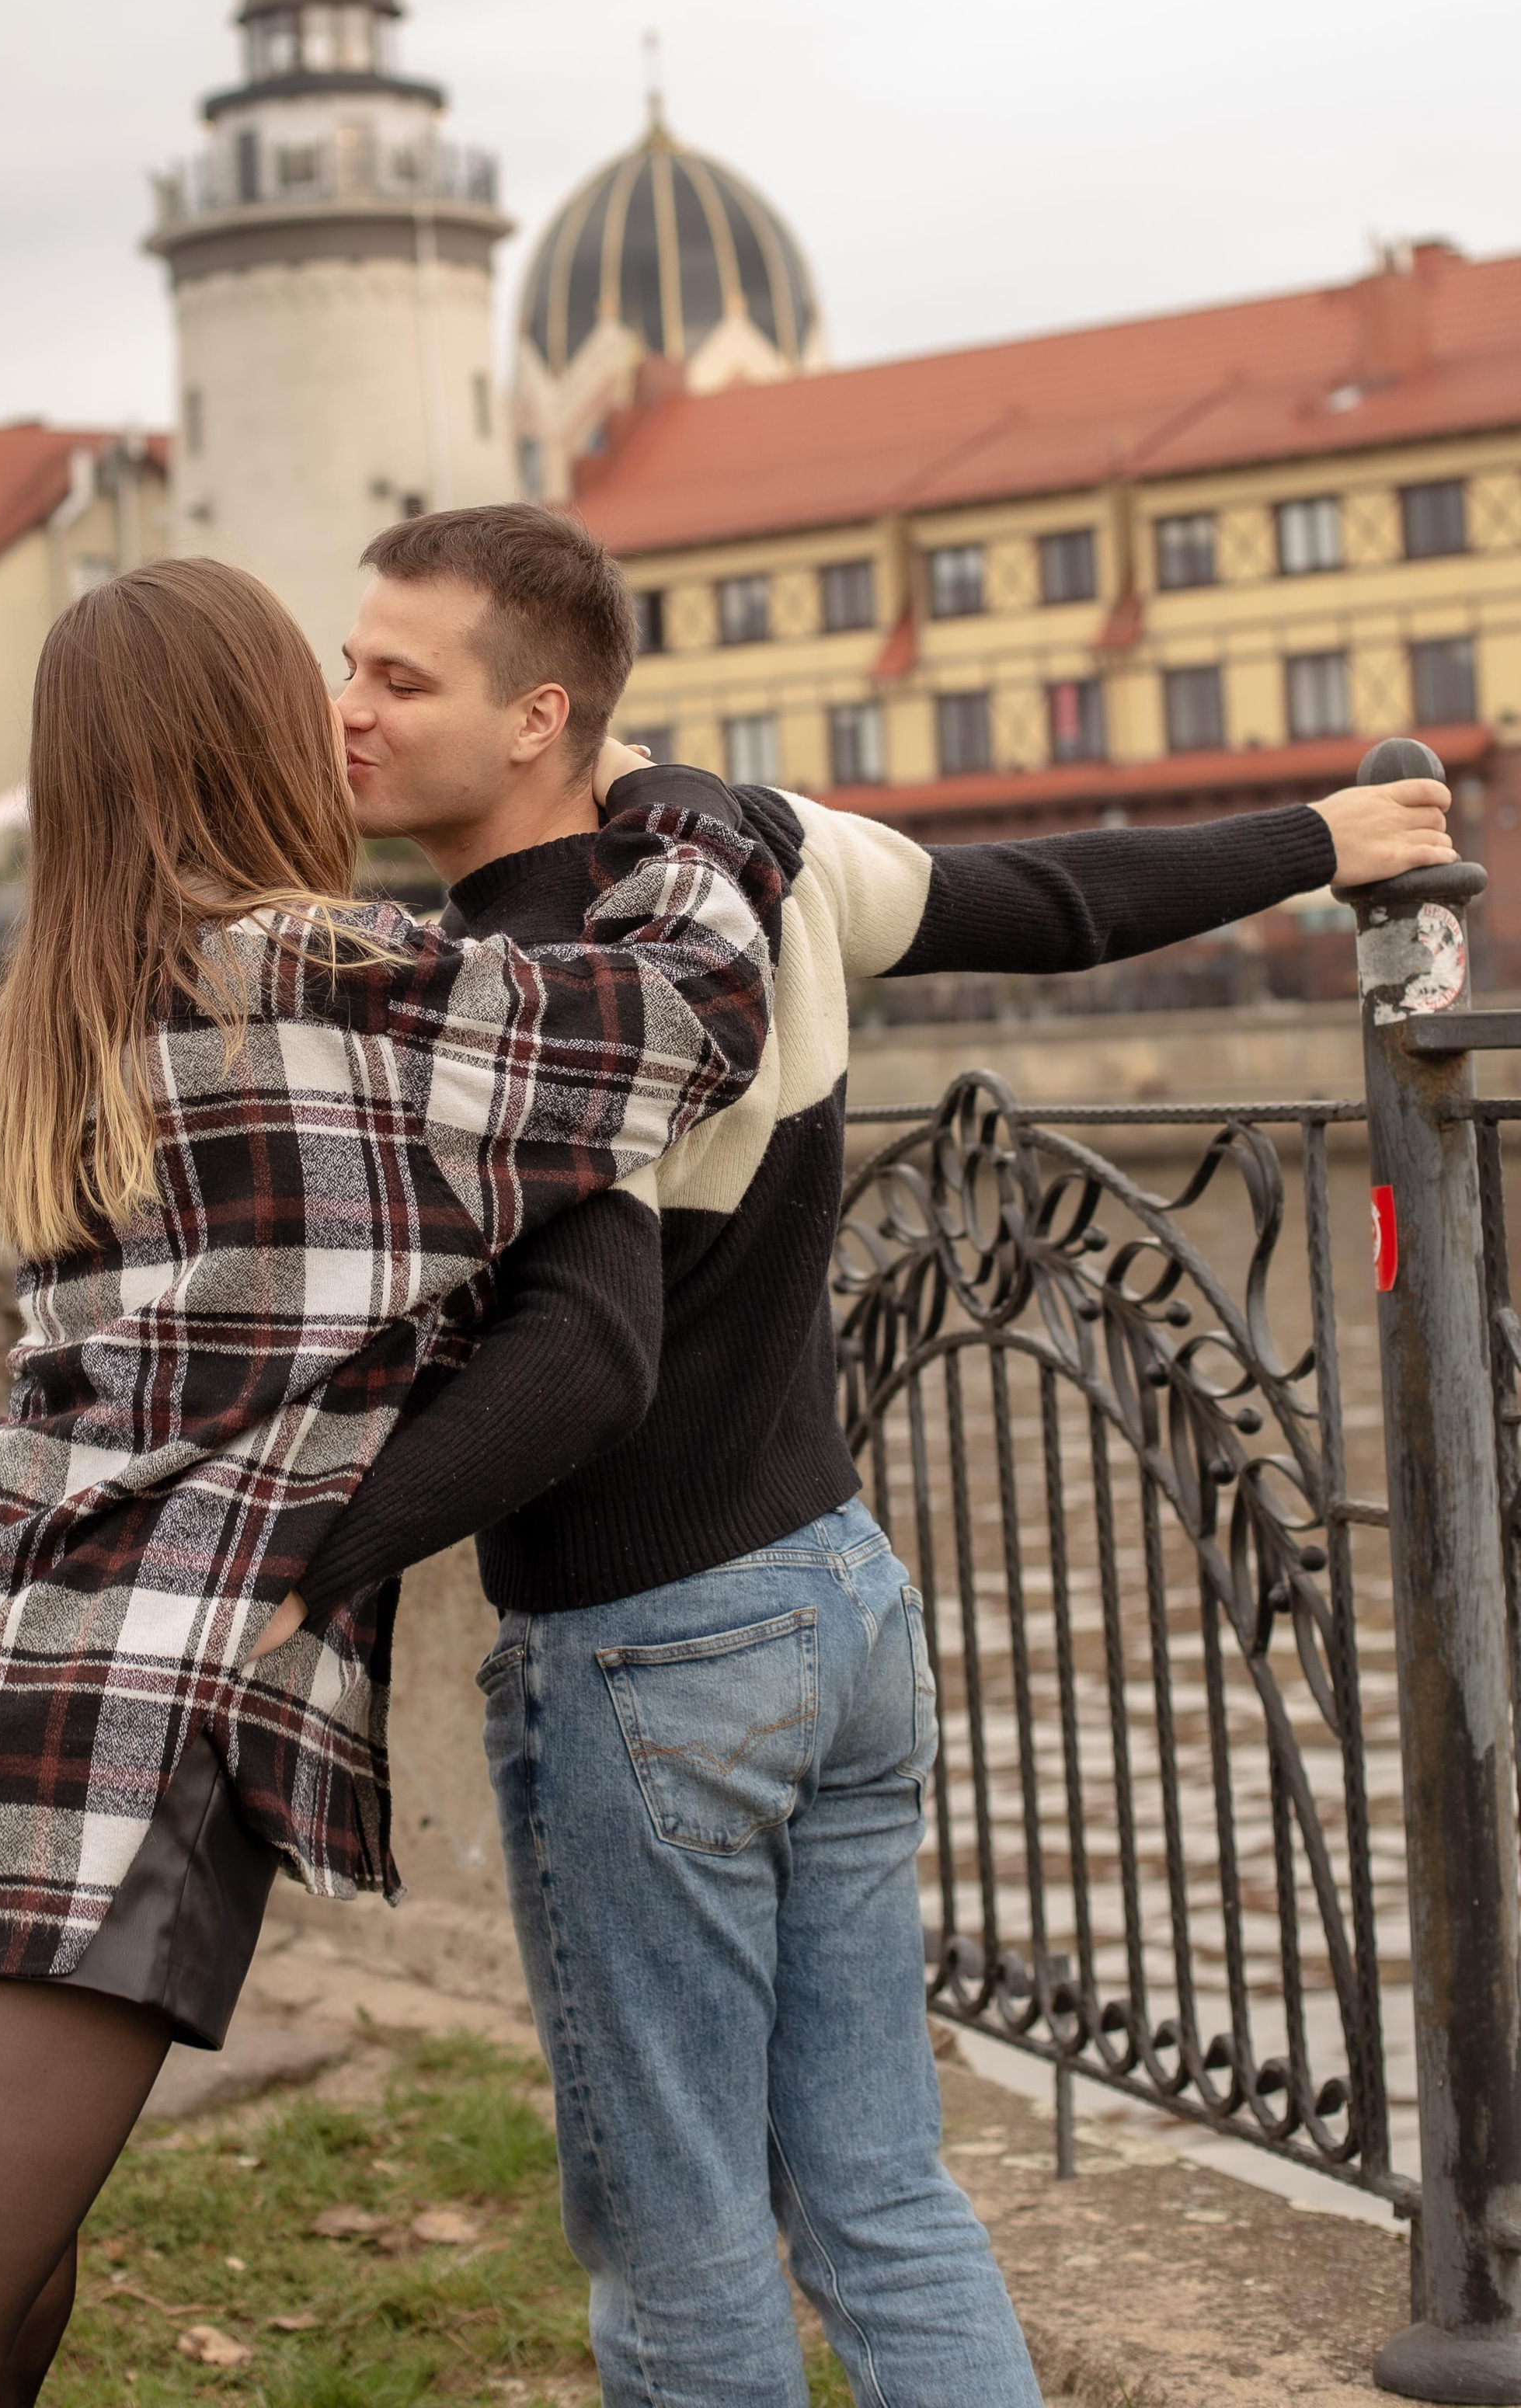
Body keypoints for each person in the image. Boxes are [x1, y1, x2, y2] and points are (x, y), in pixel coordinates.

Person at [317, 500, 1457, 2408]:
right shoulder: (754, 860)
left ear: (535, 718)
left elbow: (576, 1365)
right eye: (349, 661)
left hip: (647, 1643)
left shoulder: (519, 996)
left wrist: (288, 1555)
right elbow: (1060, 905)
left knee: (679, 2247)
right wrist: (1324, 841)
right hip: (839, 1599)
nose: (345, 705)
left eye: (393, 676)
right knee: (880, 2196)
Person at [0, 554, 784, 2408]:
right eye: (308, 682)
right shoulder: (315, 975)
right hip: (111, 1715)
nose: (342, 714)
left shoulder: (64, 1011)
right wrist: (686, 828)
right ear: (245, 731)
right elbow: (689, 1016)